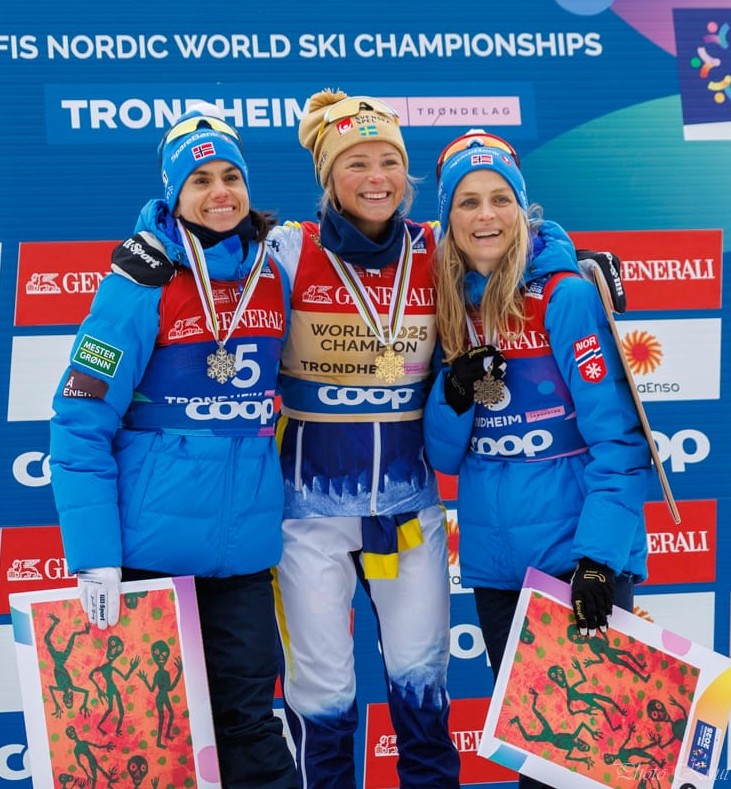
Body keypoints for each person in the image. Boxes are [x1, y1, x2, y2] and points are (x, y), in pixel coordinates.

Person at [48, 107, 299, 789]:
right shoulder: (139, 284)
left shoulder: (273, 274)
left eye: (231, 177)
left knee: (252, 729)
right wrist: (95, 560)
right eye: (200, 180)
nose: (220, 192)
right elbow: (79, 423)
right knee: (146, 742)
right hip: (148, 563)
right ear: (174, 194)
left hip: (242, 561)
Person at [422, 129, 652, 789]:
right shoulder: (447, 303)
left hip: (574, 564)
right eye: (468, 201)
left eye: (500, 199)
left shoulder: (565, 296)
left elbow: (620, 442)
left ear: (523, 209)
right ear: (448, 217)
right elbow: (443, 457)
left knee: (589, 763)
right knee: (542, 763)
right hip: (499, 571)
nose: (485, 215)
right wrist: (454, 391)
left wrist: (599, 561)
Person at [270, 89, 460, 789]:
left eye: (389, 161)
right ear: (328, 177)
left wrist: (574, 257)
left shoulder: (436, 248)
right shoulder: (289, 249)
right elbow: (205, 259)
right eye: (356, 162)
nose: (377, 177)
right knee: (322, 699)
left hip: (407, 511)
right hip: (309, 515)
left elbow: (512, 237)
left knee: (422, 689)